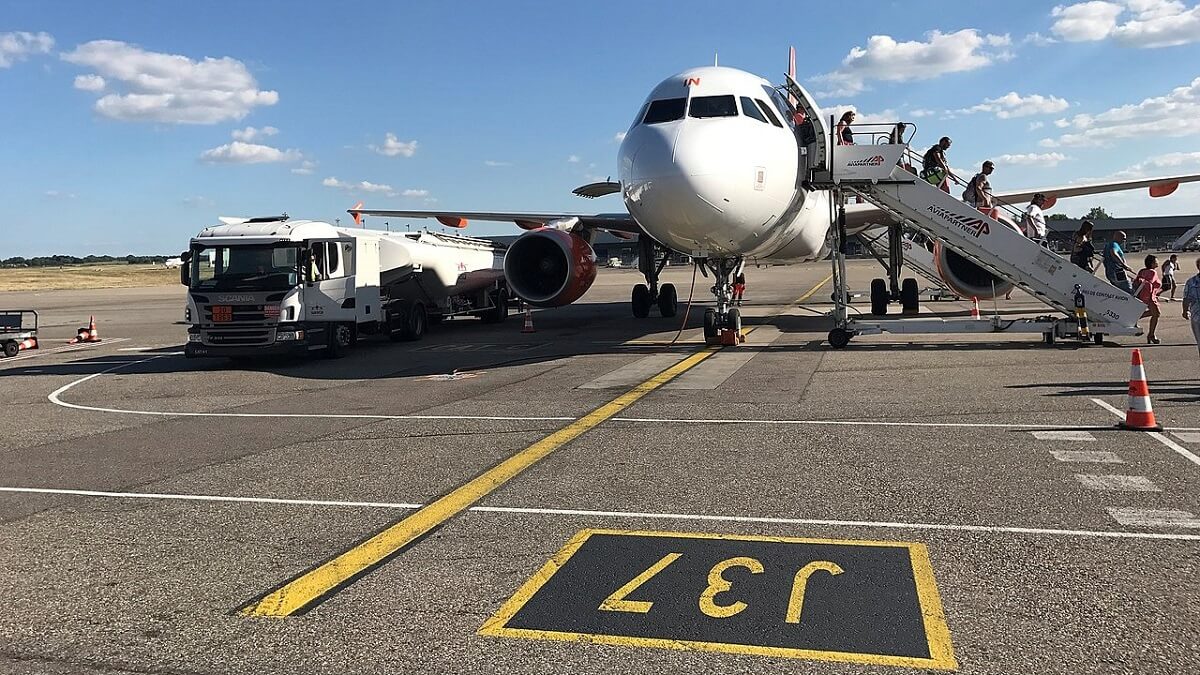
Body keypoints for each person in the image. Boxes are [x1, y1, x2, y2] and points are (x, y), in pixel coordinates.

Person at [1132, 254, 1163, 344]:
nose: (1158, 262)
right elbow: (1149, 283)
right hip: (1149, 297)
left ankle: (1135, 318)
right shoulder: (1152, 272)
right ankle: (1151, 335)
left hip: (1143, 295)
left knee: (1155, 313)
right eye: (1156, 261)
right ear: (1152, 263)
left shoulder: (1142, 271)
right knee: (1156, 314)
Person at [1182, 258, 1200, 360]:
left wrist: (1185, 310)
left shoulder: (1192, 282)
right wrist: (1185, 311)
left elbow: (1186, 298)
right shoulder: (1191, 282)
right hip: (1197, 315)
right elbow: (1186, 299)